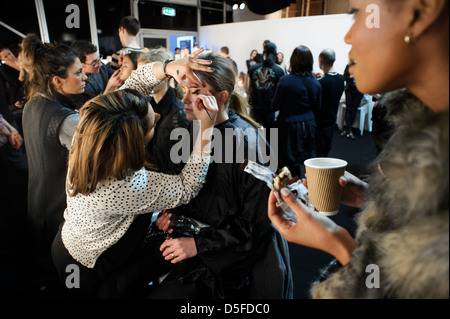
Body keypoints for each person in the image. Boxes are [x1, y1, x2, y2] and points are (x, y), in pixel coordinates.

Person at [268, 0, 449, 299]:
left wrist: (338, 242)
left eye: (358, 14)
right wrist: (373, 197)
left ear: (421, 10)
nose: (348, 37)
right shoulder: (418, 143)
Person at [127, 53, 292, 299]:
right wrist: (176, 213)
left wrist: (198, 245)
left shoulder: (249, 145)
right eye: (183, 89)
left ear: (222, 97)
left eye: (194, 92)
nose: (184, 99)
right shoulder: (194, 130)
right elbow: (195, 190)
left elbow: (256, 225)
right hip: (199, 241)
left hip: (229, 259)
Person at [20, 34, 87, 250]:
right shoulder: (67, 120)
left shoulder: (32, 103)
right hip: (58, 213)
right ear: (57, 80)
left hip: (36, 203)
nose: (84, 76)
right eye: (78, 72)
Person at [137, 48, 191, 174]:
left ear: (165, 77)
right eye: (139, 74)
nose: (141, 79)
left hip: (164, 186)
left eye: (147, 74)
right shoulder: (145, 107)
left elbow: (179, 166)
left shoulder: (179, 114)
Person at [271, 45, 322, 179]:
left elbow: (275, 105)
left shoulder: (285, 81)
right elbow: (318, 108)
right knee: (308, 162)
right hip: (309, 126)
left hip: (289, 126)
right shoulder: (315, 82)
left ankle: (291, 193)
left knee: (288, 163)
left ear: (293, 61)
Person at [246, 42, 285, 137]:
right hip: (271, 113)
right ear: (275, 54)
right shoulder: (279, 71)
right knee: (271, 141)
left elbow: (247, 89)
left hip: (255, 110)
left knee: (255, 140)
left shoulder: (253, 68)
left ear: (263, 53)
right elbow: (282, 93)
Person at [70, 40, 123, 108]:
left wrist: (123, 60)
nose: (100, 64)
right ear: (80, 64)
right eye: (94, 63)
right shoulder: (75, 87)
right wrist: (109, 89)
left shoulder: (101, 68)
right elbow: (90, 111)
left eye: (99, 58)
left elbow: (119, 76)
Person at [316, 48, 345, 157]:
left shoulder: (321, 83)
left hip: (320, 124)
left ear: (321, 62)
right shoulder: (341, 79)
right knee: (325, 152)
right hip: (332, 121)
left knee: (318, 155)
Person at [341, 63, 364, 140]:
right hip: (349, 90)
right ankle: (349, 130)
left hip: (359, 91)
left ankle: (347, 129)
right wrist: (351, 76)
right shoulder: (349, 65)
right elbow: (344, 77)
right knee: (348, 109)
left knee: (354, 110)